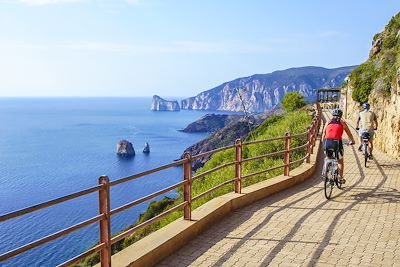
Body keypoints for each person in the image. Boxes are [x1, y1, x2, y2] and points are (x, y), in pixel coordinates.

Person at [322, 109, 355, 184]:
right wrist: (352, 141)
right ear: (341, 115)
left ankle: (325, 173)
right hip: (337, 143)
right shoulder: (342, 123)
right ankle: (340, 177)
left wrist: (323, 143)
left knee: (327, 157)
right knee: (340, 161)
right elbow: (349, 133)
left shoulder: (328, 122)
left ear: (332, 115)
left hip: (327, 142)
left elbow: (324, 133)